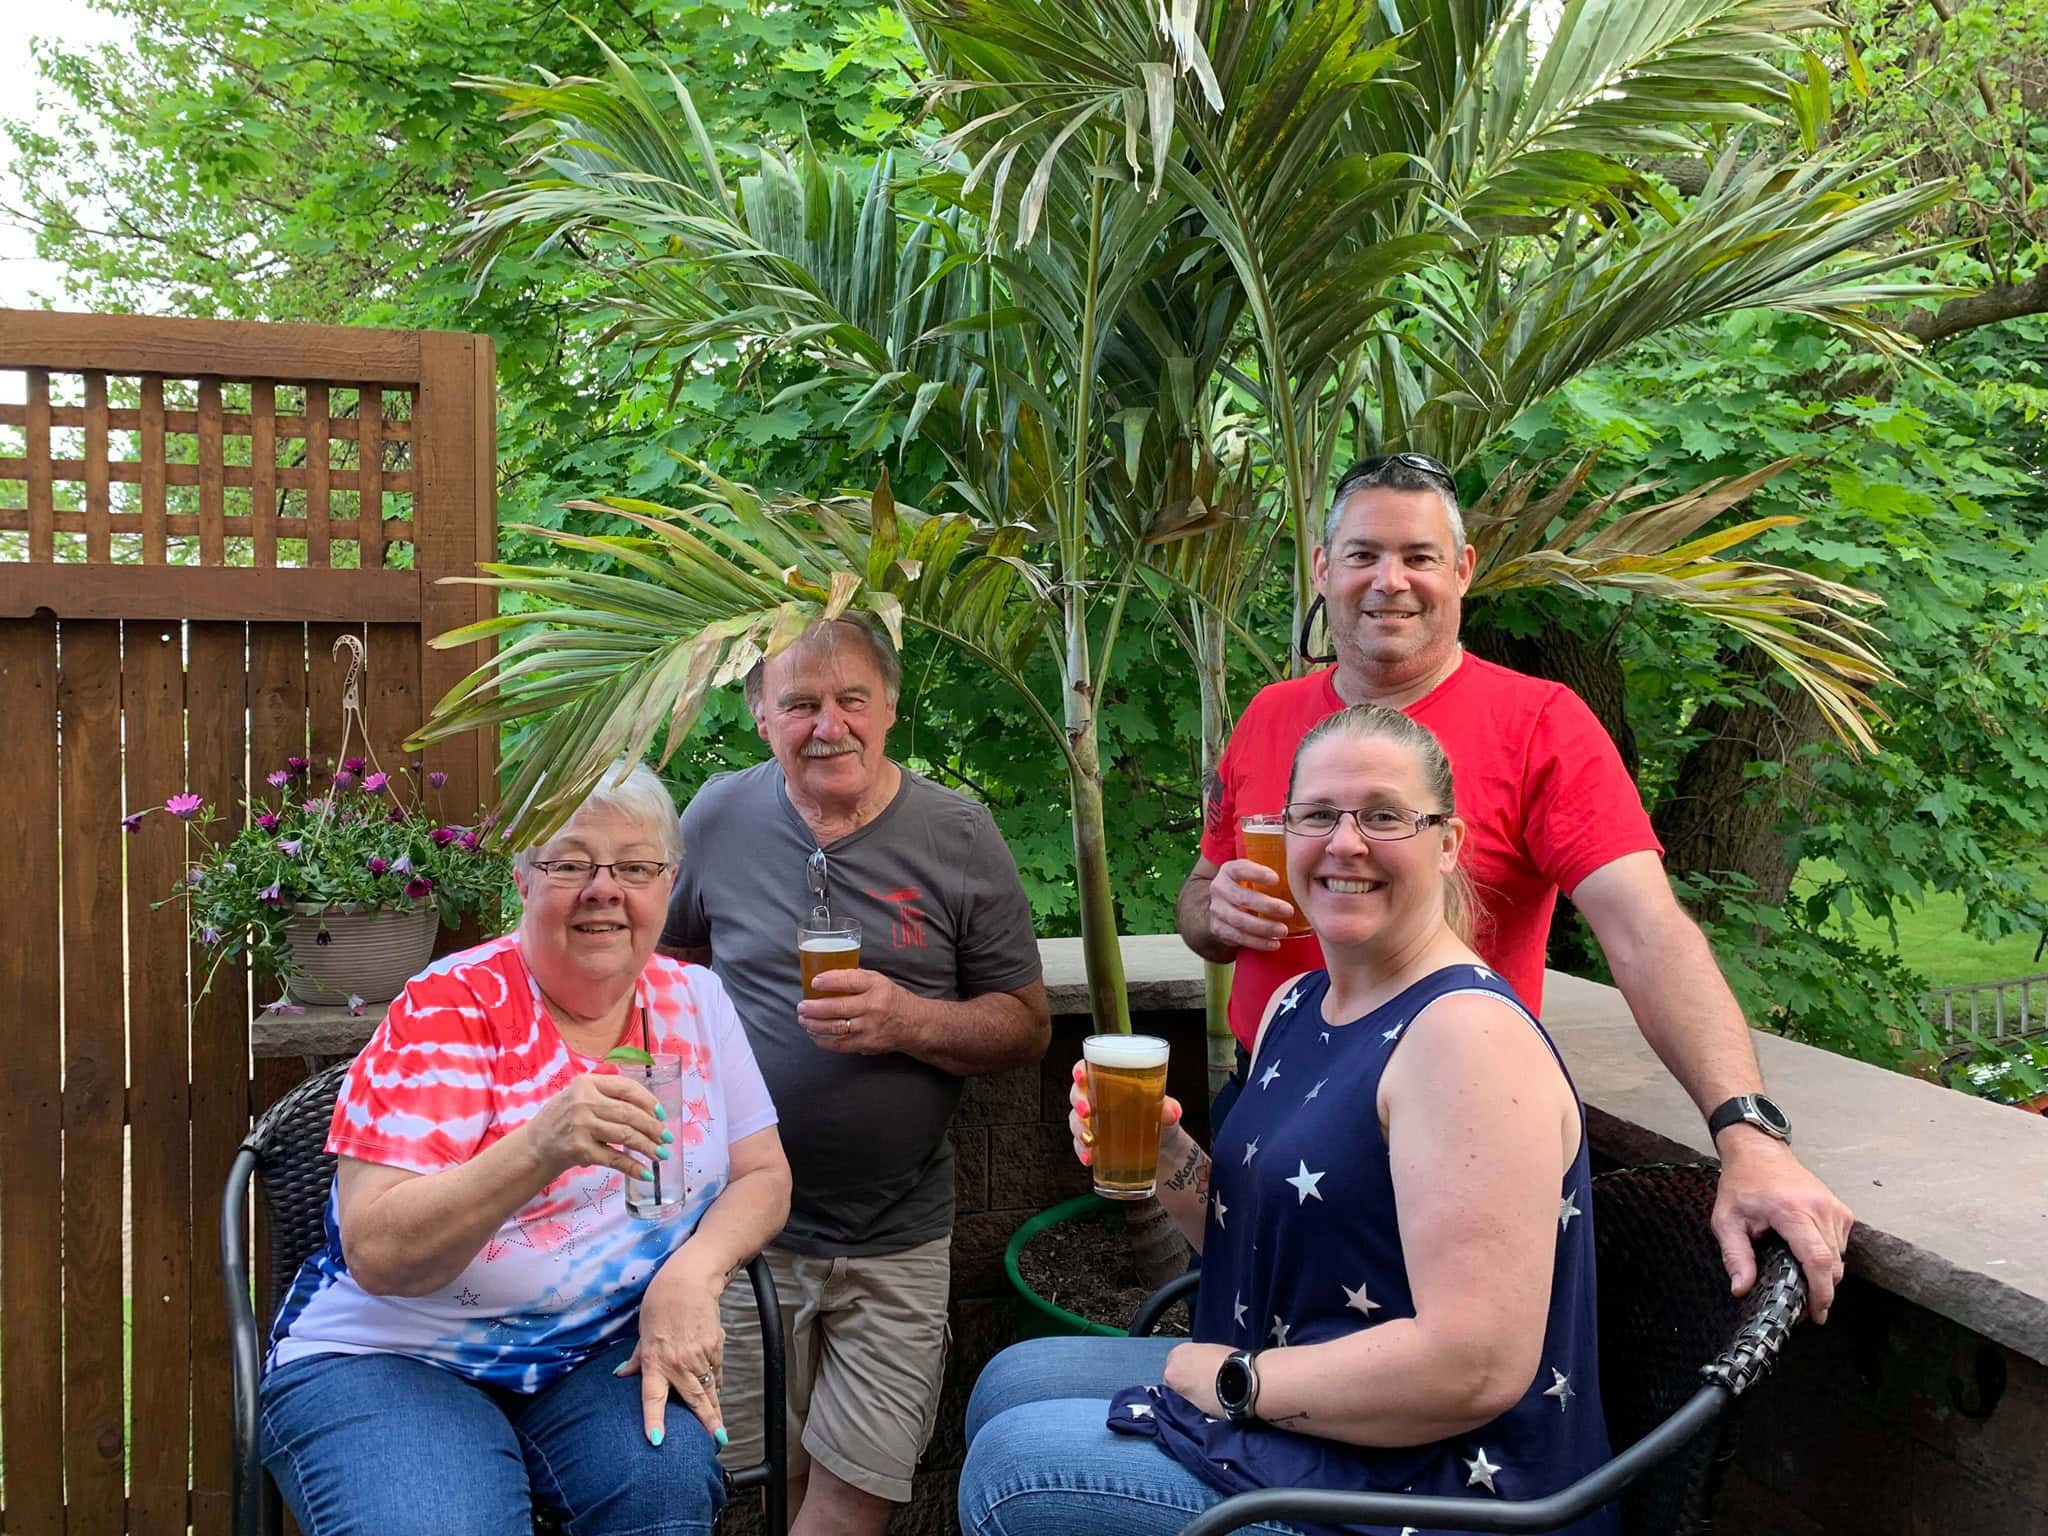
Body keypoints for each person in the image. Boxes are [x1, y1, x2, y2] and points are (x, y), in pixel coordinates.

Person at [1178, 452, 1854, 1321]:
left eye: (1419, 556)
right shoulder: (1270, 714)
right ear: (1322, 568)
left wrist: (1747, 1132)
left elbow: (1646, 932)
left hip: (1440, 1131)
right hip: (1268, 1097)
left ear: (1462, 571)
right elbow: (1200, 897)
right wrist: (1216, 911)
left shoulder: (1541, 724)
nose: (1389, 581)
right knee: (1239, 1331)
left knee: (1368, 1375)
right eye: (1363, 555)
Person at [960, 706, 1615, 1536]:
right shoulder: (1298, 1004)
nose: (1345, 843)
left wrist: (1237, 1381)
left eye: (1384, 816)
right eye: (1317, 815)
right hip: (1316, 1408)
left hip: (1430, 1486)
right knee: (1012, 1381)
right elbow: (1245, 1234)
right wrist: (1162, 1151)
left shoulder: (1465, 1039)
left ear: (1447, 842)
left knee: (1018, 1469)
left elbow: (1474, 1368)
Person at [261, 761, 792, 1536]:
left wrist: (695, 1272)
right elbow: (376, 1252)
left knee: (664, 1486)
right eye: (571, 864)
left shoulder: (695, 1000)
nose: (604, 889)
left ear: (669, 884)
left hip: (590, 1353)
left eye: (635, 867)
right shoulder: (447, 1009)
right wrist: (540, 1146)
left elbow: (764, 1174)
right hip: (393, 1356)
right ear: (522, 880)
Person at [661, 613, 1051, 1536]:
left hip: (896, 1232)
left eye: (851, 700)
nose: (827, 725)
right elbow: (670, 971)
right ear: (761, 715)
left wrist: (907, 1019)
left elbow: (1027, 1025)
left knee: (855, 1500)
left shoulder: (958, 833)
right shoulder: (717, 816)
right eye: (800, 703)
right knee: (754, 1484)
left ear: (889, 709)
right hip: (742, 1231)